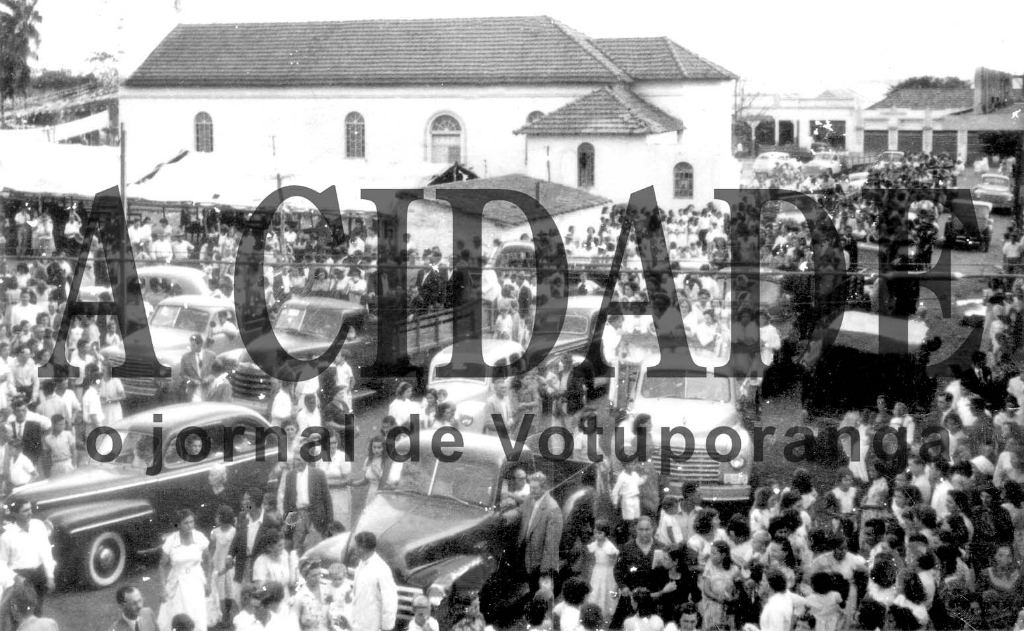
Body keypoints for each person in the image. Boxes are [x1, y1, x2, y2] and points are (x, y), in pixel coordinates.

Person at [158, 509, 210, 631]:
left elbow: (209, 559)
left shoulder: (200, 537)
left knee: (197, 614)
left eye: (192, 522)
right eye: (186, 523)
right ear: (179, 525)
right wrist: (163, 587)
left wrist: (208, 581)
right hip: (178, 584)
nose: (190, 525)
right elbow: (161, 565)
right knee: (179, 614)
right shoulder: (171, 540)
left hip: (196, 581)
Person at [0, 498, 55, 615]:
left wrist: (50, 576)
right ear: (15, 514)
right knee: (22, 614)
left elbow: (46, 551)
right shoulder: (7, 536)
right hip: (20, 578)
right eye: (25, 511)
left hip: (38, 574)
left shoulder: (38, 526)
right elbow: (2, 564)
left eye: (30, 509)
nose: (30, 512)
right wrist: (15, 578)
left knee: (38, 611)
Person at [518, 471, 564, 594]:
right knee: (533, 590)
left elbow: (551, 545)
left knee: (541, 594)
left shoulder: (553, 509)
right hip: (529, 558)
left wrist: (545, 571)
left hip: (541, 564)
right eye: (531, 488)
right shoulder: (530, 499)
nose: (531, 491)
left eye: (535, 488)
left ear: (544, 488)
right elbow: (520, 510)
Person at [280, 450, 333, 553]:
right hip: (298, 514)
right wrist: (288, 522)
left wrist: (330, 520)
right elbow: (287, 500)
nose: (295, 462)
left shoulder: (318, 474)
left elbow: (327, 498)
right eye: (294, 460)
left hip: (315, 514)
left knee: (316, 544)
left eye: (298, 460)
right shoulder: (290, 476)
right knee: (297, 544)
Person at [350, 532, 397, 631]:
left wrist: (386, 627)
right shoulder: (361, 564)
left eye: (356, 546)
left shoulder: (381, 569)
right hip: (358, 623)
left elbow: (390, 600)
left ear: (362, 548)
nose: (354, 549)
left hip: (373, 626)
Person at [209, 505, 237, 629]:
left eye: (217, 516)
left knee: (229, 590)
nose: (215, 519)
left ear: (223, 518)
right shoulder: (215, 532)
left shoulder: (234, 531)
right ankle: (223, 615)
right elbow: (213, 547)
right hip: (218, 562)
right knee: (220, 590)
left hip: (229, 564)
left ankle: (229, 615)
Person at [252, 528, 298, 600]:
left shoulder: (285, 555)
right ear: (269, 547)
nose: (283, 548)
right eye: (279, 545)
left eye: (283, 544)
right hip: (270, 600)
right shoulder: (261, 561)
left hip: (286, 598)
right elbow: (260, 587)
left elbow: (291, 581)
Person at [585, 520, 619, 619]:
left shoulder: (609, 547)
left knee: (607, 590)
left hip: (607, 571)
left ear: (606, 533)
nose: (597, 535)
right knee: (595, 590)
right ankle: (594, 610)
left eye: (600, 533)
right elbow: (592, 557)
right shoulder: (595, 544)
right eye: (595, 532)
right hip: (597, 570)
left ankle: (609, 612)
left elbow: (615, 561)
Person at [293, 559, 330, 631]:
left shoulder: (326, 590)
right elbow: (295, 622)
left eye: (319, 574)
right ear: (305, 577)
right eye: (314, 576)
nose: (318, 578)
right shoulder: (300, 596)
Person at [180, 334, 215, 403]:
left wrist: (208, 379)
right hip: (192, 391)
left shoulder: (211, 355)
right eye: (191, 345)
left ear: (200, 345)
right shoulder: (185, 357)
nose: (191, 347)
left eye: (193, 345)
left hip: (207, 390)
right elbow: (182, 375)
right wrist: (191, 381)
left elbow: (215, 373)